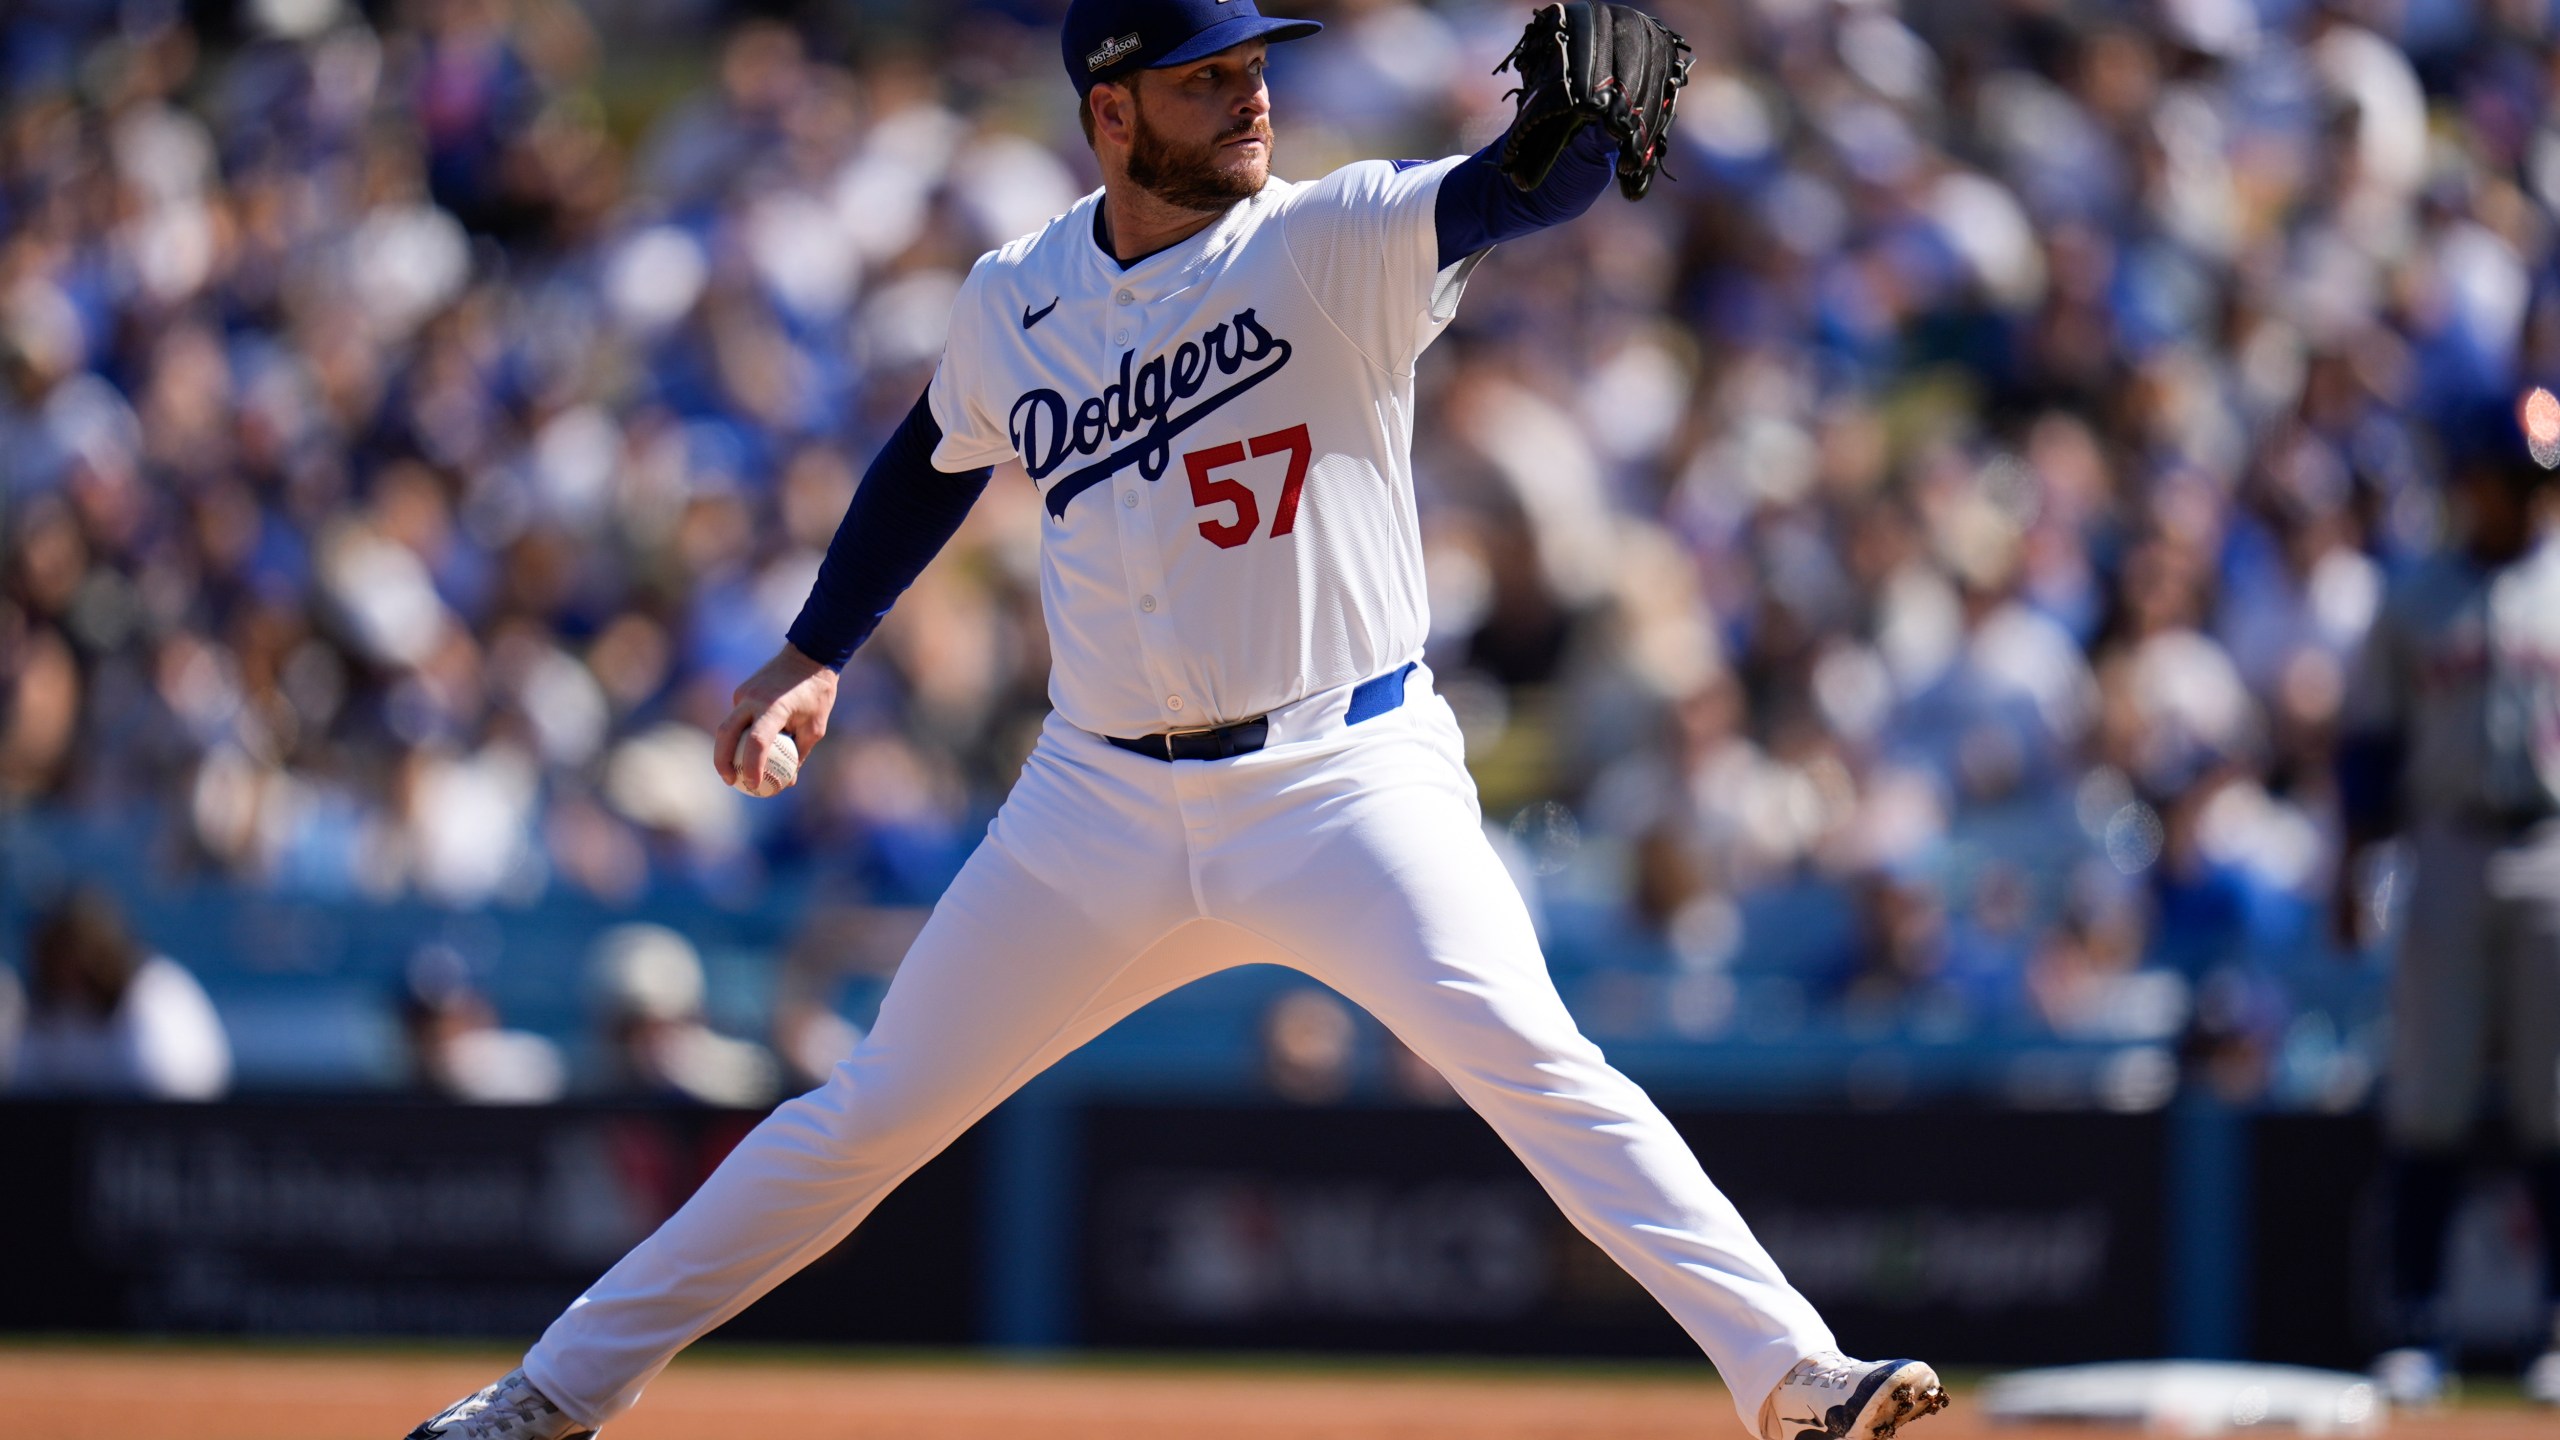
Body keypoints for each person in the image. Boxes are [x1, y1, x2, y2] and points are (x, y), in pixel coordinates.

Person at [405, 3, 1949, 1437]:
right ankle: (551, 1398)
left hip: (1347, 776)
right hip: (1099, 807)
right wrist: (816, 649)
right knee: (866, 1116)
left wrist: (1583, 145)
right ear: (1113, 111)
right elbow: (931, 459)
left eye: (1256, 64)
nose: (1253, 92)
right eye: (1209, 75)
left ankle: (1794, 1376)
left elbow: (1507, 194)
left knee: (1538, 1063)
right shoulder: (1017, 298)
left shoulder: (1331, 240)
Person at [2335, 388, 2560, 1407]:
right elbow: (2368, 749)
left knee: (2553, 1101)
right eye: (2501, 477)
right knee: (2430, 1092)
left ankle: (2551, 1324)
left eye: (2528, 480)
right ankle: (2412, 1322)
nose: (2514, 498)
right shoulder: (2413, 595)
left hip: (2551, 845)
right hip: (2447, 845)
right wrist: (2352, 865)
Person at [12, 887, 230, 1100]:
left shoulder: (154, 1000)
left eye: (73, 960)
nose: (65, 973)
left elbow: (167, 1104)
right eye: (54, 960)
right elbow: (24, 1090)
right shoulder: (48, 1009)